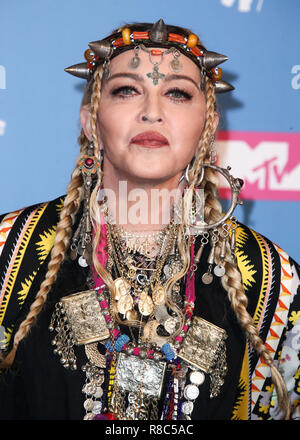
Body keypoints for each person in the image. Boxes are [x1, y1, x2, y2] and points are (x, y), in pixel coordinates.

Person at [0, 20, 299, 421]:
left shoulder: (268, 278)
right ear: (92, 122)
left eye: (177, 93)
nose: (151, 112)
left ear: (206, 127)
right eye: (127, 90)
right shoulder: (9, 250)